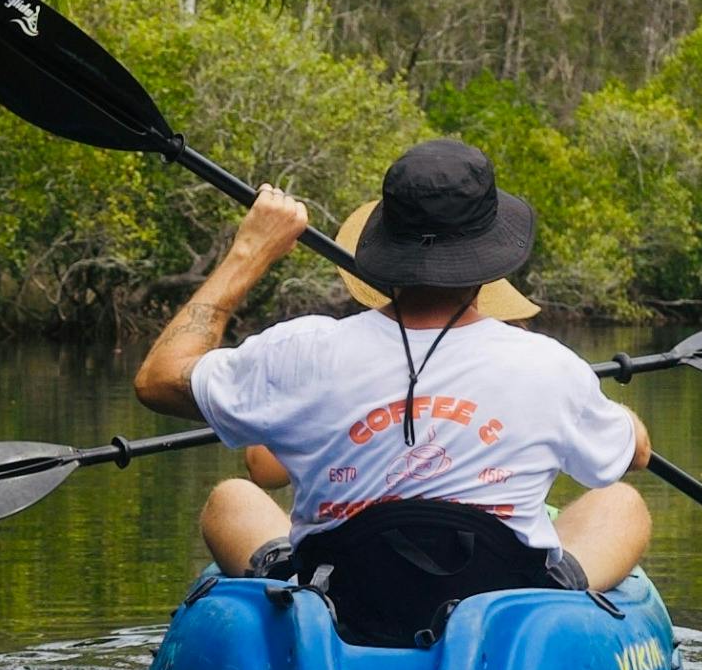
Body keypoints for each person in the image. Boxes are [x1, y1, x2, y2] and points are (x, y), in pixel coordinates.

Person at [131, 137, 654, 592]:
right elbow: (635, 454)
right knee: (621, 502)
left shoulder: (301, 350)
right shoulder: (553, 368)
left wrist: (249, 251)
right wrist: (625, 423)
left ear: (386, 246)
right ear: (490, 261)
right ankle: (557, 591)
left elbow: (158, 380)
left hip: (342, 596)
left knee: (233, 497)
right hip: (499, 598)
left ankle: (283, 575)